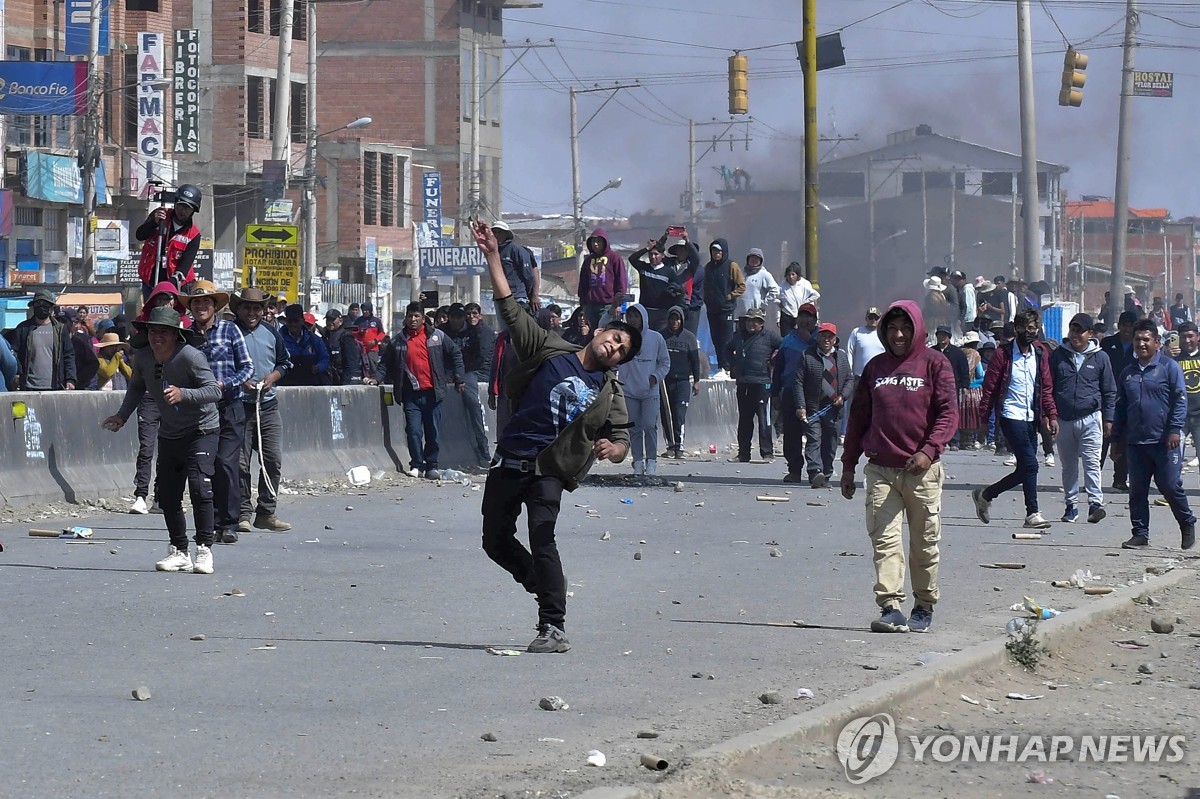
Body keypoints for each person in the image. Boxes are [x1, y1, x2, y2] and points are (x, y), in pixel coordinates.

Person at [473, 219, 641, 653]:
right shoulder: (549, 348)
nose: (614, 348)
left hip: (549, 470)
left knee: (542, 535)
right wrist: (493, 254)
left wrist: (614, 448)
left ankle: (553, 625)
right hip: (510, 459)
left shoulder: (609, 391)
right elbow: (510, 309)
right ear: (601, 331)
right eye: (616, 338)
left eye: (622, 350)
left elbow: (621, 438)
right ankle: (540, 582)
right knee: (494, 540)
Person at [840, 300, 958, 634]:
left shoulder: (936, 364)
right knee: (885, 541)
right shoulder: (875, 369)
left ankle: (923, 604)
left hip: (922, 471)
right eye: (891, 329)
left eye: (905, 328)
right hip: (880, 469)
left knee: (924, 543)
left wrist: (929, 450)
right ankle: (890, 606)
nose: (898, 334)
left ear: (917, 329)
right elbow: (859, 418)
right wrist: (849, 465)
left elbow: (949, 412)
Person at [102, 306, 222, 574]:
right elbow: (136, 388)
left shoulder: (190, 357)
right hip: (170, 432)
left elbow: (214, 390)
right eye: (153, 331)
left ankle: (204, 548)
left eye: (164, 332)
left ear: (176, 335)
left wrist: (184, 394)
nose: (158, 337)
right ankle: (179, 550)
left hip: (201, 430)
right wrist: (122, 416)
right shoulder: (142, 358)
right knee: (167, 495)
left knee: (201, 488)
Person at [182, 281, 255, 544]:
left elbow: (247, 368)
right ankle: (209, 524)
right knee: (205, 467)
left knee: (226, 463)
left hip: (229, 407)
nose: (201, 307)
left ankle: (230, 522)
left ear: (214, 307)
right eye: (196, 303)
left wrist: (226, 384)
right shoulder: (186, 335)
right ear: (191, 308)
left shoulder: (230, 330)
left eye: (206, 303)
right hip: (199, 412)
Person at [972, 308, 1058, 530]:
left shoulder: (1039, 353)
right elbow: (989, 388)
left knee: (1025, 468)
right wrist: (984, 419)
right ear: (1017, 328)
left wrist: (1051, 415)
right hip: (1010, 414)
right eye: (1025, 328)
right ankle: (1033, 513)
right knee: (1031, 465)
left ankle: (986, 494)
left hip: (1031, 416)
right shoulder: (1004, 354)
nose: (1029, 332)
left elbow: (1046, 387)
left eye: (1033, 328)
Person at [1112, 320, 1195, 550]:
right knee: (1137, 490)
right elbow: (1120, 408)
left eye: (1146, 339)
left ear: (1157, 343)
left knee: (1170, 485)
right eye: (1137, 339)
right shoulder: (1128, 373)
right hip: (1136, 442)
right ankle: (1140, 533)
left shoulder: (1169, 367)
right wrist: (1116, 440)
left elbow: (1180, 401)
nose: (1141, 344)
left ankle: (1187, 522)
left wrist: (1175, 429)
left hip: (1164, 441)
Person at [231, 287, 293, 533]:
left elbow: (285, 362)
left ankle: (266, 511)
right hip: (239, 406)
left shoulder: (271, 333)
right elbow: (221, 365)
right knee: (240, 463)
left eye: (256, 308)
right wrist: (240, 379)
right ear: (238, 309)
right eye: (246, 307)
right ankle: (242, 513)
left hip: (267, 406)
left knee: (272, 459)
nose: (251, 312)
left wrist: (273, 377)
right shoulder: (230, 332)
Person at [380, 302, 465, 479]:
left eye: (416, 316)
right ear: (405, 318)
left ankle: (432, 465)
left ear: (422, 318)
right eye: (410, 316)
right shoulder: (398, 340)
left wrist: (459, 377)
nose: (413, 319)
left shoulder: (437, 337)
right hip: (410, 394)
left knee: (432, 431)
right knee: (413, 431)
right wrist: (375, 379)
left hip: (433, 393)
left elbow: (455, 354)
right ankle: (417, 464)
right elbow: (385, 363)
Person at [1050, 312, 1116, 525]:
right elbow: (1048, 387)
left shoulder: (1101, 357)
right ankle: (1071, 506)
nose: (1075, 335)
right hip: (1063, 419)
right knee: (1068, 465)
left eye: (1080, 331)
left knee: (1091, 463)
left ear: (1090, 333)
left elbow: (1109, 390)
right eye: (1073, 330)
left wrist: (1109, 419)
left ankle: (1095, 504)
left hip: (1090, 418)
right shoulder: (1058, 355)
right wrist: (1049, 415)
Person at [793, 322, 851, 488]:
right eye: (823, 335)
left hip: (834, 409)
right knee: (813, 440)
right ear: (817, 337)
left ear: (834, 339)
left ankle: (826, 474)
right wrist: (801, 406)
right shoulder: (807, 356)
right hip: (813, 408)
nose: (826, 339)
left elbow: (849, 380)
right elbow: (798, 382)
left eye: (830, 336)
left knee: (830, 443)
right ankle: (814, 471)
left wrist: (843, 396)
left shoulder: (841, 357)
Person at [615, 303, 670, 476]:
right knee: (634, 428)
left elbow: (665, 362)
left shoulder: (656, 338)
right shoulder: (621, 337)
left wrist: (655, 376)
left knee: (649, 425)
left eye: (636, 316)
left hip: (649, 391)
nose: (632, 319)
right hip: (629, 390)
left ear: (643, 318)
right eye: (630, 316)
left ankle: (651, 462)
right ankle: (637, 462)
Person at [441, 302, 495, 469]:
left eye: (459, 317)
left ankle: (482, 446)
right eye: (453, 317)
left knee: (472, 402)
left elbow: (479, 356)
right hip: (446, 371)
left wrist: (460, 375)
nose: (456, 321)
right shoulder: (442, 332)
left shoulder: (473, 331)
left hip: (469, 371)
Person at [726, 307, 781, 463]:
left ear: (761, 323)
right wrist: (733, 365)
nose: (752, 324)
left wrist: (774, 361)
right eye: (749, 320)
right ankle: (743, 453)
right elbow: (727, 350)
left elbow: (782, 347)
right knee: (744, 420)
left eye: (755, 321)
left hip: (763, 384)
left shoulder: (769, 336)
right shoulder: (739, 337)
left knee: (764, 420)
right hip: (744, 383)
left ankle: (767, 453)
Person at [135, 184, 202, 297]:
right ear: (175, 203)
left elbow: (184, 267)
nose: (182, 211)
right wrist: (154, 222)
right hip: (151, 281)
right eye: (180, 206)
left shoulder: (194, 235)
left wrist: (168, 286)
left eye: (187, 208)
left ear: (193, 210)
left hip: (177, 285)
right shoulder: (160, 216)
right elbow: (140, 235)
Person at [775, 303, 817, 482]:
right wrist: (775, 393)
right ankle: (794, 470)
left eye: (808, 317)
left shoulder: (823, 338)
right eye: (802, 316)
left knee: (814, 433)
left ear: (815, 320)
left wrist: (809, 341)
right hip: (791, 392)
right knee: (791, 434)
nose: (804, 320)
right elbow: (778, 369)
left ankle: (816, 470)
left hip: (814, 394)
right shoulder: (788, 340)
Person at [628, 229, 699, 331]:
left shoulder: (670, 271)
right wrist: (647, 248)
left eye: (656, 254)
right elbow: (632, 259)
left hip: (663, 312)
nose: (653, 257)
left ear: (662, 255)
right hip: (645, 310)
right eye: (651, 254)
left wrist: (687, 239)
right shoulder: (644, 268)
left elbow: (680, 290)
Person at [1101, 311, 1138, 491]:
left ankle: (1120, 479)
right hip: (1107, 397)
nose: (1127, 329)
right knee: (1102, 440)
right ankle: (1093, 478)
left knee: (1123, 440)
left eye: (1131, 325)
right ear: (1119, 325)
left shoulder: (1140, 345)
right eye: (1124, 324)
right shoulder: (1108, 344)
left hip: (1129, 399)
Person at [11, 289, 77, 391]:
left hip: (55, 386)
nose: (42, 308)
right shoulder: (23, 328)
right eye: (38, 304)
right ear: (33, 307)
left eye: (45, 305)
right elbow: (14, 353)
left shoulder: (60, 329)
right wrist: (17, 374)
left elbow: (69, 355)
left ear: (51, 308)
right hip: (28, 386)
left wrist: (70, 379)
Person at [660, 306, 700, 460]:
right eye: (672, 318)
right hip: (664, 382)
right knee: (666, 415)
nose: (674, 322)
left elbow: (695, 361)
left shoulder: (689, 337)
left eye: (677, 319)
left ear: (682, 320)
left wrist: (696, 381)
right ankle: (670, 446)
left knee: (679, 415)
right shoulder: (661, 336)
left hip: (682, 382)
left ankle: (679, 446)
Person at [703, 238, 746, 379]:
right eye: (714, 251)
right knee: (715, 338)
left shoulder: (731, 266)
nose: (716, 254)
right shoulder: (708, 267)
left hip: (726, 308)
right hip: (712, 309)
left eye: (719, 251)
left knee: (726, 338)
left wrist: (729, 296)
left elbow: (741, 286)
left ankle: (728, 368)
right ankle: (721, 366)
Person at [578, 228, 628, 329]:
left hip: (608, 305)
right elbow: (583, 283)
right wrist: (583, 304)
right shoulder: (588, 260)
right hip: (591, 305)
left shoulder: (614, 258)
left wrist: (618, 304)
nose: (595, 244)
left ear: (604, 242)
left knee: (607, 332)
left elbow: (621, 280)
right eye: (593, 241)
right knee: (594, 334)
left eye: (598, 241)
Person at [931, 325, 969, 449]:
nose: (941, 338)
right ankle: (934, 440)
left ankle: (954, 440)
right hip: (933, 387)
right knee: (933, 413)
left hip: (952, 388)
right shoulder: (931, 352)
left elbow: (964, 371)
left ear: (949, 337)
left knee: (951, 413)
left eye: (944, 335)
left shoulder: (958, 353)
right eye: (939, 335)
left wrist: (965, 386)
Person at [492, 220, 540, 309]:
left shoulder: (516, 249)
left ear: (506, 234)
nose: (497, 235)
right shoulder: (493, 251)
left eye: (500, 232)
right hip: (499, 298)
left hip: (516, 297)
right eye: (494, 232)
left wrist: (532, 294)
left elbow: (529, 275)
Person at [277, 304, 330, 386]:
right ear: (286, 321)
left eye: (296, 321)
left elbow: (325, 358)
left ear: (302, 320)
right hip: (285, 384)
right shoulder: (278, 339)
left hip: (309, 385)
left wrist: (318, 367)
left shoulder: (314, 340)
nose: (293, 324)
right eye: (290, 321)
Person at [1174, 321, 1200, 467]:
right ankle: (1173, 489)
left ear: (1198, 336)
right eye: (1183, 337)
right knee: (1174, 458)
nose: (1187, 340)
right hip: (1179, 417)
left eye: (1190, 336)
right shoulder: (1172, 359)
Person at [733, 248, 780, 321]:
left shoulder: (764, 274)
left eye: (757, 258)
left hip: (755, 315)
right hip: (740, 314)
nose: (754, 260)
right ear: (748, 259)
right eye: (752, 257)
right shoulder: (741, 272)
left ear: (761, 261)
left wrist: (763, 304)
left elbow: (775, 290)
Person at [320, 309, 364, 385]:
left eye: (333, 320)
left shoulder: (346, 336)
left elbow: (351, 362)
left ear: (340, 321)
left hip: (341, 379)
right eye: (328, 320)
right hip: (327, 379)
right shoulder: (325, 336)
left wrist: (345, 382)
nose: (330, 322)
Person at [957, 332, 985, 449]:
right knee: (973, 416)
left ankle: (962, 440)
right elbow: (980, 374)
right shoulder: (976, 354)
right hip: (973, 390)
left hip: (960, 390)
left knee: (962, 415)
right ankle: (970, 441)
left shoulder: (958, 352)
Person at [778, 262, 820, 337]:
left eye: (793, 274)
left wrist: (805, 303)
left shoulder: (804, 285)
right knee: (787, 337)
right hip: (787, 315)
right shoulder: (781, 286)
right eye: (789, 274)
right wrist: (778, 315)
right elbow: (775, 298)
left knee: (803, 336)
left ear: (797, 275)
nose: (791, 277)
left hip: (801, 315)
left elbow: (816, 295)